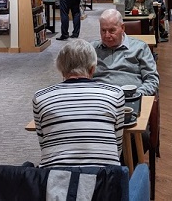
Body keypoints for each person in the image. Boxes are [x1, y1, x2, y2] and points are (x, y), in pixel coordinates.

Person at [32, 39, 125, 168]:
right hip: (104, 178)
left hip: (54, 178)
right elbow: (117, 145)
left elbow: (44, 144)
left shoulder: (40, 97)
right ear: (92, 69)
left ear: (61, 70)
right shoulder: (115, 94)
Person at [92, 9, 159, 96]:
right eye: (103, 31)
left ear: (122, 28)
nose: (107, 35)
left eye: (112, 30)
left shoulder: (140, 47)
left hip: (130, 97)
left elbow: (152, 78)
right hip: (99, 97)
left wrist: (138, 95)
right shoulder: (91, 49)